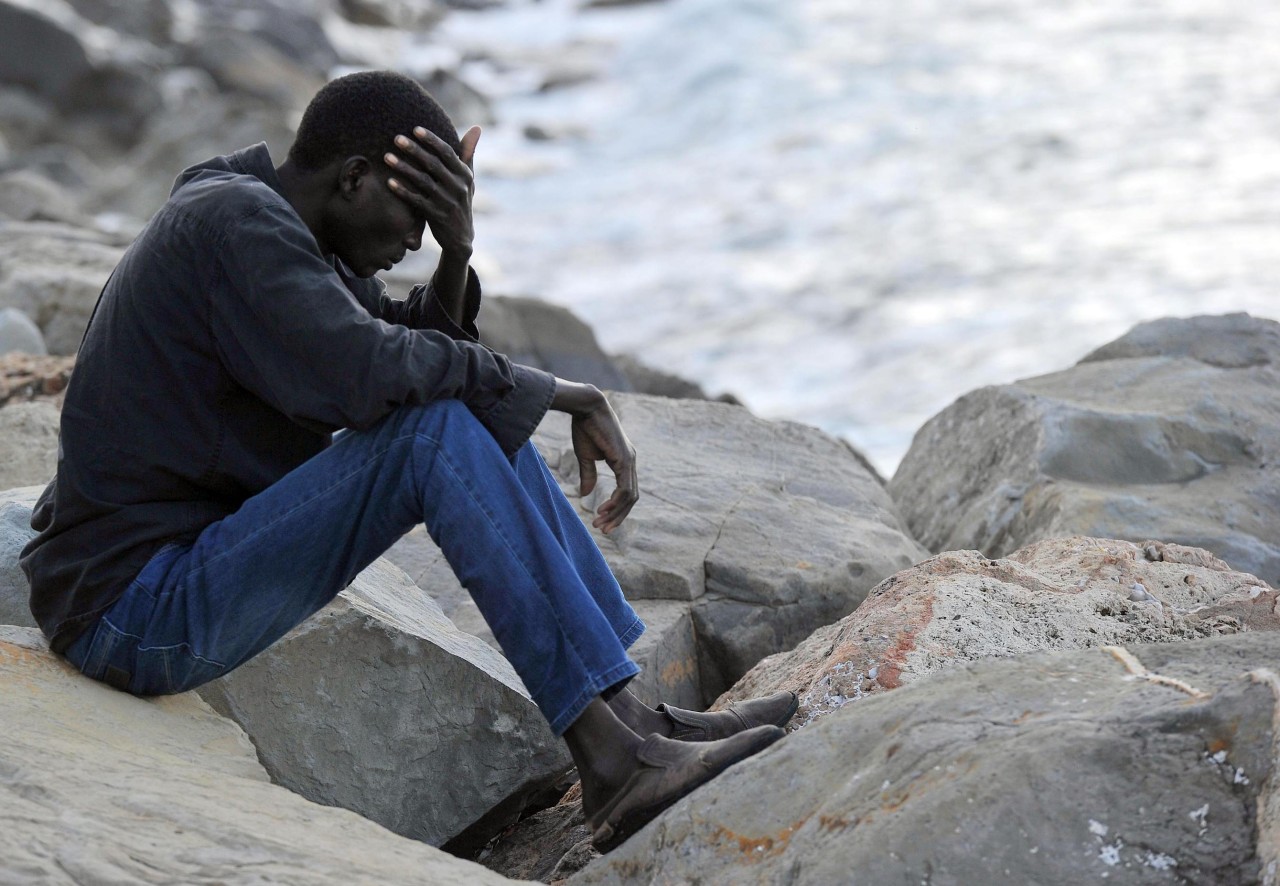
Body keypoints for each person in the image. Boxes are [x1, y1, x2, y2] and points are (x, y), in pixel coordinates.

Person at [20, 70, 795, 852]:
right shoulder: (233, 224)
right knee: (435, 433)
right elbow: (374, 370)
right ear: (355, 178)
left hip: (170, 576)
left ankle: (628, 720)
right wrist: (563, 392)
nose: (415, 242)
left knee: (459, 416)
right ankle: (616, 760)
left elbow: (411, 346)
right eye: (416, 216)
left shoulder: (276, 222)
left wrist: (459, 253)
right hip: (132, 611)